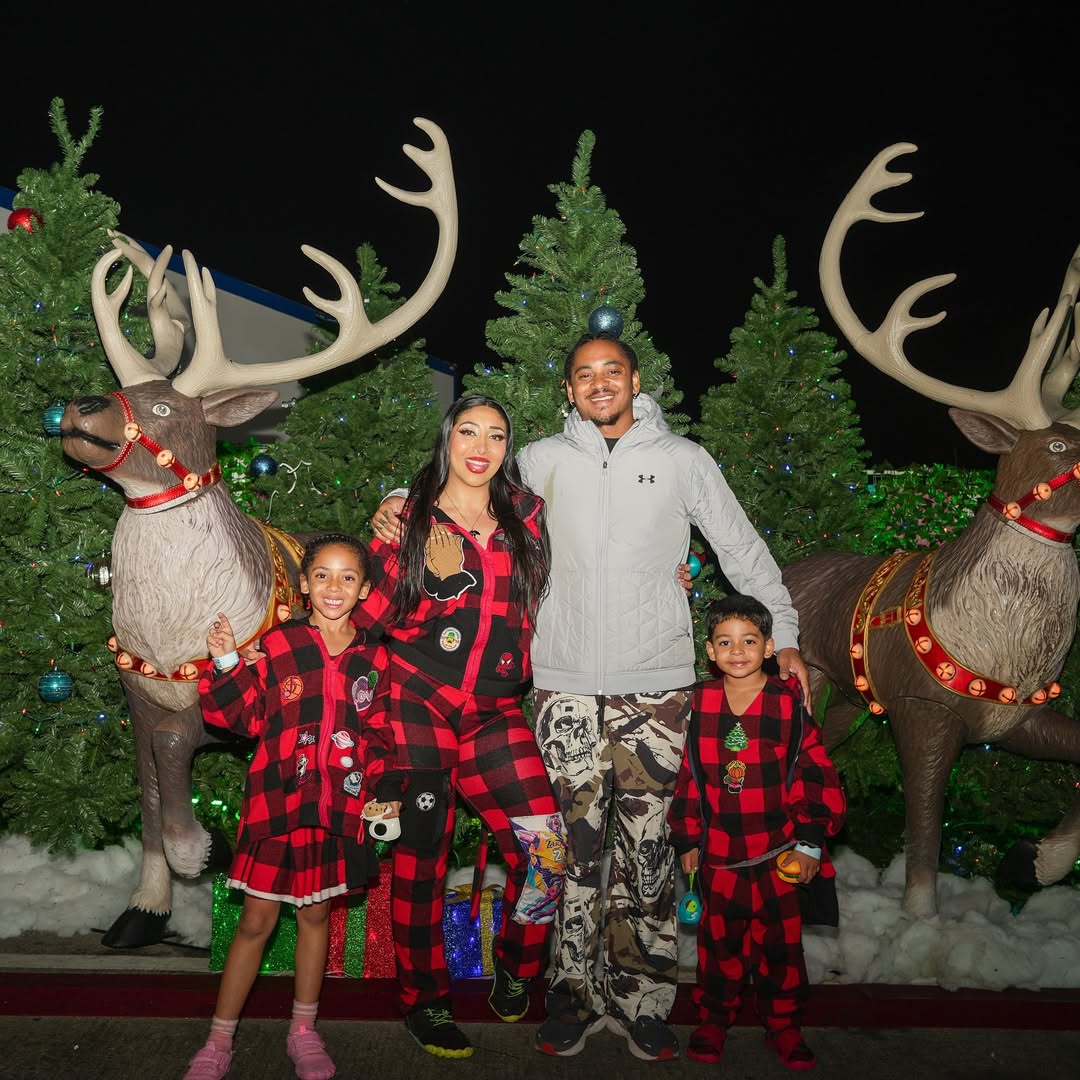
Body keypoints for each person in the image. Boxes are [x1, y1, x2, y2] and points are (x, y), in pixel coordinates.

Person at [372, 331, 809, 1062]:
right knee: (568, 855)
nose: (599, 383)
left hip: (658, 692)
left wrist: (785, 628)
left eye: (613, 371)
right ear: (568, 390)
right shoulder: (542, 460)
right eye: (584, 375)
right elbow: (469, 478)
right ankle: (568, 996)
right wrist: (395, 501)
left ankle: (641, 1001)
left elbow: (741, 548)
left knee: (648, 857)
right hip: (562, 691)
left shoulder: (683, 461)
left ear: (636, 380)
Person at [355, 393, 566, 1060]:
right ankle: (426, 1001)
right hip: (416, 701)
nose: (481, 445)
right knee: (422, 861)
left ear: (508, 449)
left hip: (496, 710)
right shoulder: (409, 521)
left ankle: (517, 962)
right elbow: (369, 620)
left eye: (496, 435)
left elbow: (576, 581)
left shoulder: (527, 517)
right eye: (468, 431)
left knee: (547, 850)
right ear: (447, 439)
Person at [183, 533, 401, 1080]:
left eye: (347, 577)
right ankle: (218, 1040)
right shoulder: (280, 644)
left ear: (364, 589)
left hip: (337, 811)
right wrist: (228, 661)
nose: (334, 586)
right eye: (322, 575)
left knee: (316, 914)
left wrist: (382, 790)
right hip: (278, 804)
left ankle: (304, 1032)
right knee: (256, 920)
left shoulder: (374, 656)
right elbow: (242, 717)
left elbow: (378, 732)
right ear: (304, 585)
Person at [668, 594, 845, 1072]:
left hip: (777, 855)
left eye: (749, 640)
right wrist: (687, 838)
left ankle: (784, 1026)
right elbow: (688, 776)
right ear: (709, 651)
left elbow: (814, 771)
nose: (737, 650)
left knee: (781, 950)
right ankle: (712, 1020)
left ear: (770, 646)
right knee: (717, 947)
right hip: (720, 856)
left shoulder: (787, 705)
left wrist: (809, 841)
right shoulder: (699, 703)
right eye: (725, 642)